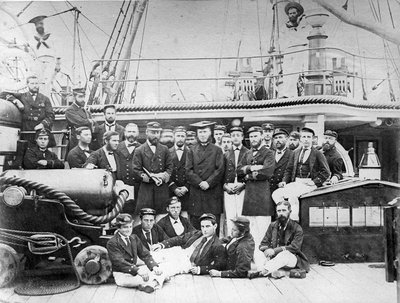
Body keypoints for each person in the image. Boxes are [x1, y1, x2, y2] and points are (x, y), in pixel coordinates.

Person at [272, 127, 331, 221]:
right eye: (304, 137)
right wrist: (284, 181)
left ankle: (294, 219)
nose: (306, 139)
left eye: (309, 137)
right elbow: (289, 170)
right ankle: (285, 214)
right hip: (296, 182)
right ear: (301, 139)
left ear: (313, 139)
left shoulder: (317, 154)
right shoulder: (295, 152)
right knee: (276, 194)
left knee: (292, 195)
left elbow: (326, 172)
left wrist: (315, 182)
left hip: (309, 184)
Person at [237, 126, 275, 267]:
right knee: (251, 231)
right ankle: (255, 261)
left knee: (264, 231)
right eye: (251, 136)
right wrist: (251, 168)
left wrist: (247, 175)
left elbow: (267, 171)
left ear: (261, 136)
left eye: (256, 136)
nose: (253, 139)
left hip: (262, 196)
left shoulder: (268, 153)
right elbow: (238, 170)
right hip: (249, 197)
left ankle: (265, 263)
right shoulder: (247, 154)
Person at [248, 201, 309, 279]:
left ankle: (263, 271)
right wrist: (267, 250)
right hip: (273, 259)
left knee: (284, 254)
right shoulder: (273, 225)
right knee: (257, 251)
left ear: (290, 212)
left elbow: (295, 247)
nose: (281, 213)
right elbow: (263, 243)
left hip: (290, 259)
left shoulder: (297, 228)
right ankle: (266, 270)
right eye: (279, 211)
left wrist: (275, 251)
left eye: (284, 210)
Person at [106, 213, 167, 293]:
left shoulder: (134, 238)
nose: (129, 230)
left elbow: (145, 254)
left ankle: (150, 284)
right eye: (125, 227)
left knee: (161, 269)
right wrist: (138, 271)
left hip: (135, 271)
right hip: (122, 274)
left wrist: (154, 267)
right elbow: (119, 262)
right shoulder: (112, 242)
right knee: (152, 277)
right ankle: (153, 283)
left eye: (130, 226)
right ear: (118, 228)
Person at [152, 213, 226, 276]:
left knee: (163, 269)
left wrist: (200, 269)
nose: (204, 230)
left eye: (207, 226)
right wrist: (162, 245)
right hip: (180, 252)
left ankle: (149, 283)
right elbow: (180, 239)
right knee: (153, 255)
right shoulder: (197, 233)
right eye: (202, 226)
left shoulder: (217, 245)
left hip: (188, 263)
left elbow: (219, 265)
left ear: (215, 226)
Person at [186, 121, 224, 230]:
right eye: (200, 132)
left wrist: (208, 182)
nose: (202, 134)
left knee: (212, 225)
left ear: (210, 133)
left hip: (212, 193)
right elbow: (188, 170)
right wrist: (200, 182)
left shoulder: (217, 150)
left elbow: (220, 170)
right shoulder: (191, 150)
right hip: (197, 193)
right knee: (196, 227)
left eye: (205, 132)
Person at [133, 122, 173, 220]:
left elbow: (170, 167)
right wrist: (149, 177)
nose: (156, 135)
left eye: (158, 133)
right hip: (146, 190)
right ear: (147, 132)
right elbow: (136, 169)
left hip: (161, 190)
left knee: (162, 218)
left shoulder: (165, 149)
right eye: (153, 132)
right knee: (146, 218)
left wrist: (163, 176)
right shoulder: (139, 150)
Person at [1, 75, 55, 145]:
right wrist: (16, 101)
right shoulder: (22, 96)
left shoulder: (45, 99)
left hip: (41, 132)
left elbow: (51, 116)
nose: (35, 86)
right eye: (32, 83)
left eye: (36, 83)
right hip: (27, 131)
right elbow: (3, 94)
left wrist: (42, 124)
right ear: (27, 85)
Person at [222, 126, 248, 235]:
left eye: (238, 135)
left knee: (242, 215)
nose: (235, 138)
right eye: (233, 136)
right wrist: (225, 186)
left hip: (243, 187)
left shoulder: (248, 152)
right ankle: (230, 240)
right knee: (230, 216)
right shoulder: (226, 154)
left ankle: (243, 239)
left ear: (242, 137)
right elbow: (221, 173)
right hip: (229, 187)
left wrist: (243, 185)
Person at [116, 123, 141, 210]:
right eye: (129, 131)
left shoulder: (142, 148)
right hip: (121, 185)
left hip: (137, 187)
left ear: (138, 133)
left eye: (133, 132)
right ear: (125, 133)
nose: (131, 134)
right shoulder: (117, 147)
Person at [65, 87, 97, 153]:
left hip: (88, 143)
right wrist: (90, 121)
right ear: (74, 98)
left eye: (83, 97)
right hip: (77, 142)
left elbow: (94, 125)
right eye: (80, 97)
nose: (83, 99)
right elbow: (80, 122)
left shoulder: (86, 112)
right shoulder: (70, 111)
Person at [168, 126, 190, 216]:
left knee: (185, 218)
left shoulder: (191, 152)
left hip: (187, 192)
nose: (180, 138)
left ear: (185, 138)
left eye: (182, 136)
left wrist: (186, 187)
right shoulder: (167, 152)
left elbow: (194, 172)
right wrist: (174, 188)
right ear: (174, 137)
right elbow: (165, 171)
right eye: (178, 136)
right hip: (172, 191)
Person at [270, 128, 294, 194]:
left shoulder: (292, 154)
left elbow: (291, 172)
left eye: (280, 137)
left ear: (286, 139)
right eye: (275, 138)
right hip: (269, 189)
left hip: (284, 190)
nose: (277, 140)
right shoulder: (270, 154)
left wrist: (285, 181)